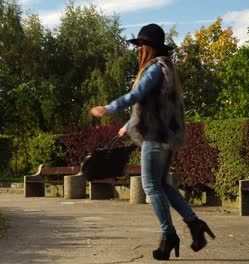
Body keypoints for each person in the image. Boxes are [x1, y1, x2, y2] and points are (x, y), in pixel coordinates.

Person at [90, 23, 215, 260]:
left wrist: (109, 108)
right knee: (163, 185)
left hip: (155, 137)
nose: (138, 49)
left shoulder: (155, 69)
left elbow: (136, 96)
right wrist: (127, 126)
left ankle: (169, 235)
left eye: (141, 45)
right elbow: (152, 105)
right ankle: (195, 224)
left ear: (150, 47)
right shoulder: (164, 68)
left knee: (150, 185)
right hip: (166, 137)